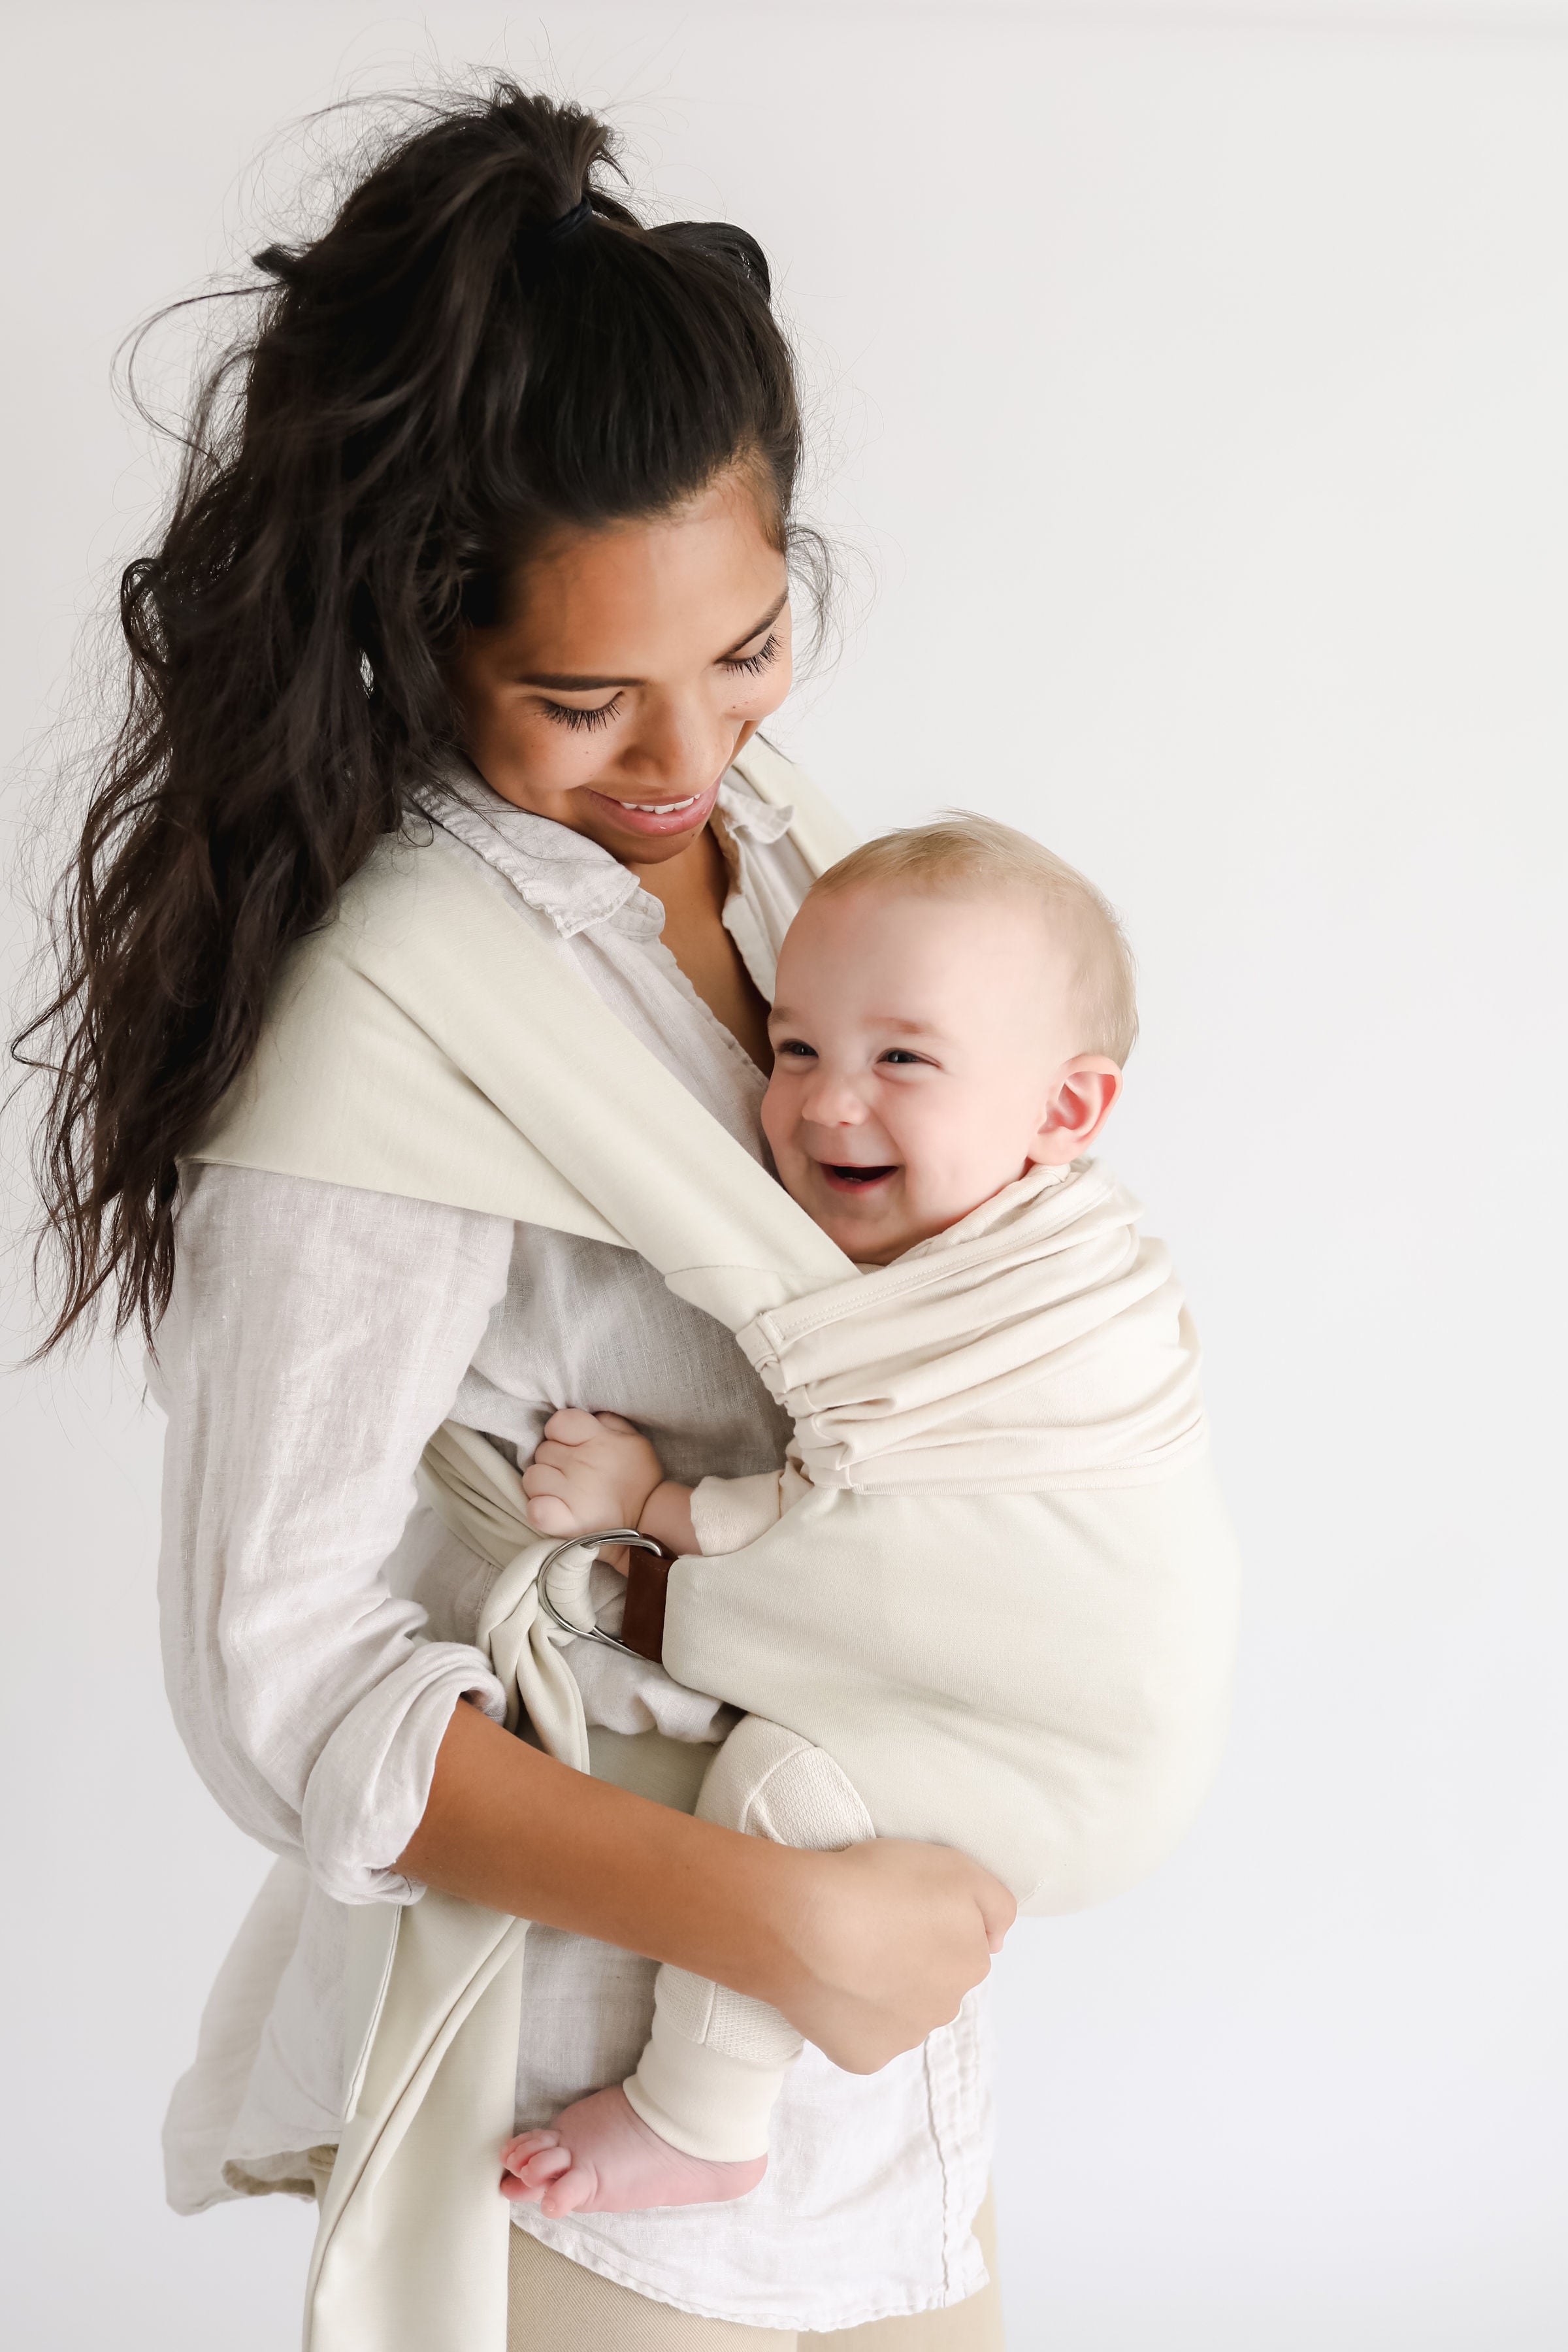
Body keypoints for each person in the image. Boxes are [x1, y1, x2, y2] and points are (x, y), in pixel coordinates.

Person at [20, 81, 1013, 2348]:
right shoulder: (395, 1036)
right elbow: (274, 1681)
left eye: (748, 645)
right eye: (585, 698)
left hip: (893, 2095)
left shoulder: (776, 860)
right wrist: (764, 1925)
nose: (685, 753)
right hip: (598, 2128)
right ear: (419, 630)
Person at [498, 816, 1239, 2217]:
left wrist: (652, 1509)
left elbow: (871, 1530)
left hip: (1085, 1745)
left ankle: (700, 2118)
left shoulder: (1057, 1303)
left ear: (1065, 1117)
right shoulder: (989, 1259)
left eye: (902, 1060)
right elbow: (888, 1492)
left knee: (779, 1790)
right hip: (1058, 1703)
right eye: (792, 1049)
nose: (826, 1104)